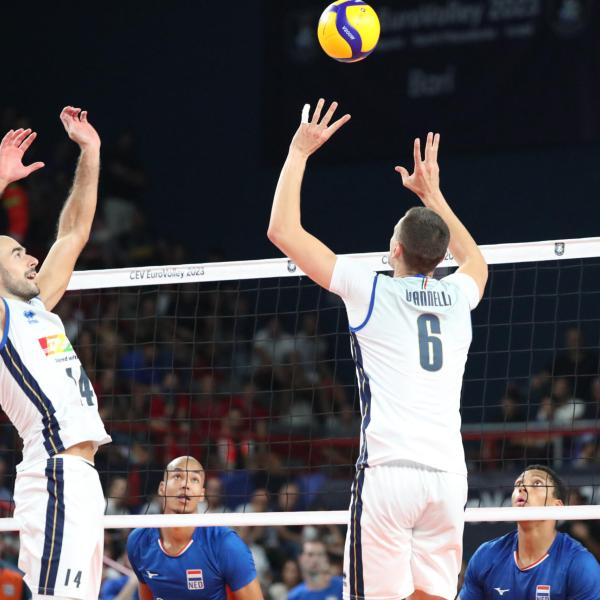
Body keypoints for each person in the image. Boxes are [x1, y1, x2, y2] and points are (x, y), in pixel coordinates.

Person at [267, 99, 488, 600]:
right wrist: (433, 194)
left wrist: (299, 151)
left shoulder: (371, 287)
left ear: (395, 251)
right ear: (437, 256)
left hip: (390, 474)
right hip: (449, 477)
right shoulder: (458, 296)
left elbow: (282, 231)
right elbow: (474, 258)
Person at [0, 110, 111, 599]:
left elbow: (73, 234)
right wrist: (2, 180)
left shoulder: (37, 306)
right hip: (52, 472)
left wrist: (91, 153)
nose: (31, 257)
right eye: (15, 253)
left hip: (81, 476)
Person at [127, 456, 263, 600]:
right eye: (177, 476)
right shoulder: (138, 541)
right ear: (162, 488)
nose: (186, 484)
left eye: (194, 479)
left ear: (201, 495)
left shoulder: (226, 544)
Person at [459, 464, 600, 599]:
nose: (522, 488)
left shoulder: (580, 564)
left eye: (536, 483)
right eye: (518, 484)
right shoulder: (486, 555)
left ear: (557, 506)